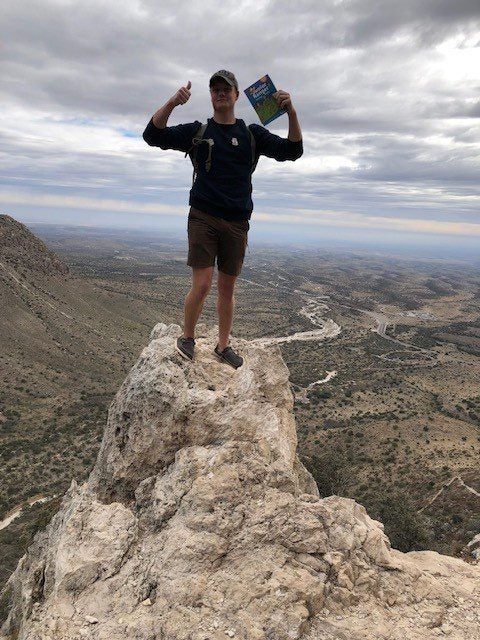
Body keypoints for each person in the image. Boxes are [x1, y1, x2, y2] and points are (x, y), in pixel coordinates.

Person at [143, 70, 303, 369]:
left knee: (227, 288)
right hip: (203, 217)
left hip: (237, 222)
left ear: (237, 95)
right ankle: (187, 337)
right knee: (202, 284)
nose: (221, 94)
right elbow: (152, 135)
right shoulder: (198, 131)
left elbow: (293, 151)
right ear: (211, 95)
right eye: (215, 89)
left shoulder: (252, 134)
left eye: (226, 89)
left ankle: (223, 345)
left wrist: (291, 112)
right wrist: (173, 102)